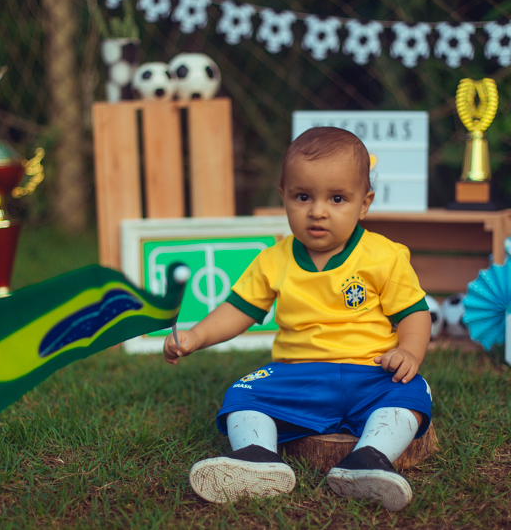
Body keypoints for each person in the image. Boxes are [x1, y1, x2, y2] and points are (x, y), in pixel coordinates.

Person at [163, 126, 432, 511]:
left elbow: (415, 313)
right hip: (298, 374)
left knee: (411, 393)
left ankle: (369, 460)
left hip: (369, 371)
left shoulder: (384, 256)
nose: (317, 211)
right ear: (284, 197)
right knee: (243, 394)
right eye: (302, 196)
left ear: (364, 203)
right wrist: (196, 336)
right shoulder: (274, 259)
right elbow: (238, 310)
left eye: (337, 198)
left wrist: (408, 351)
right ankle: (257, 460)